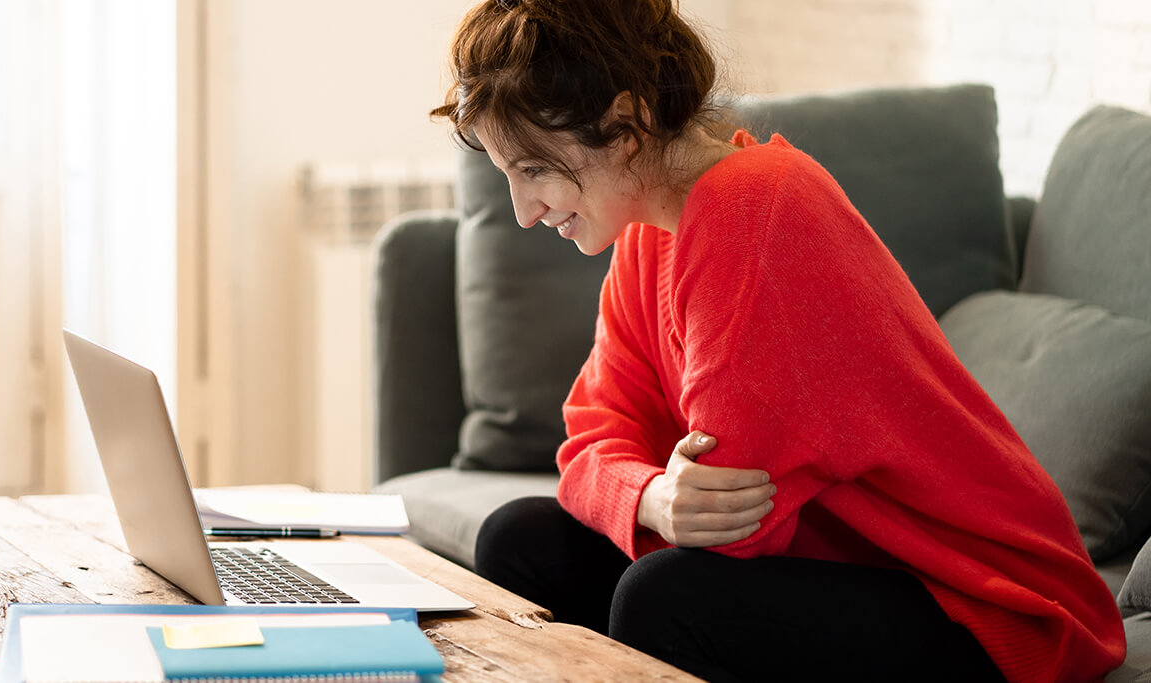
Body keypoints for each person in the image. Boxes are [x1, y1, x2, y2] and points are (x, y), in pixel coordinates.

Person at [430, 1, 1127, 681]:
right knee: (518, 540)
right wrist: (650, 496)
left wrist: (665, 498)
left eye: (533, 170)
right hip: (840, 569)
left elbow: (737, 528)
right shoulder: (647, 232)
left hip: (987, 606)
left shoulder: (753, 210)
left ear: (627, 123)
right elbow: (588, 438)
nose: (523, 212)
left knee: (667, 597)